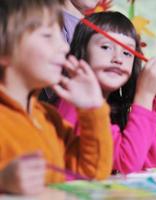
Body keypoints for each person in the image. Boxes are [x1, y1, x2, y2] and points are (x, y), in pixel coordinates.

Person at [0, 0, 112, 194]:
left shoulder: (49, 118)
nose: (63, 47)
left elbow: (93, 172)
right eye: (47, 36)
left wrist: (93, 109)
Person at [56, 11, 156, 173]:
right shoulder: (76, 102)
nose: (118, 58)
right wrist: (144, 96)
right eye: (106, 47)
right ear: (82, 50)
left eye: (127, 53)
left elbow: (151, 159)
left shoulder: (108, 105)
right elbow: (127, 164)